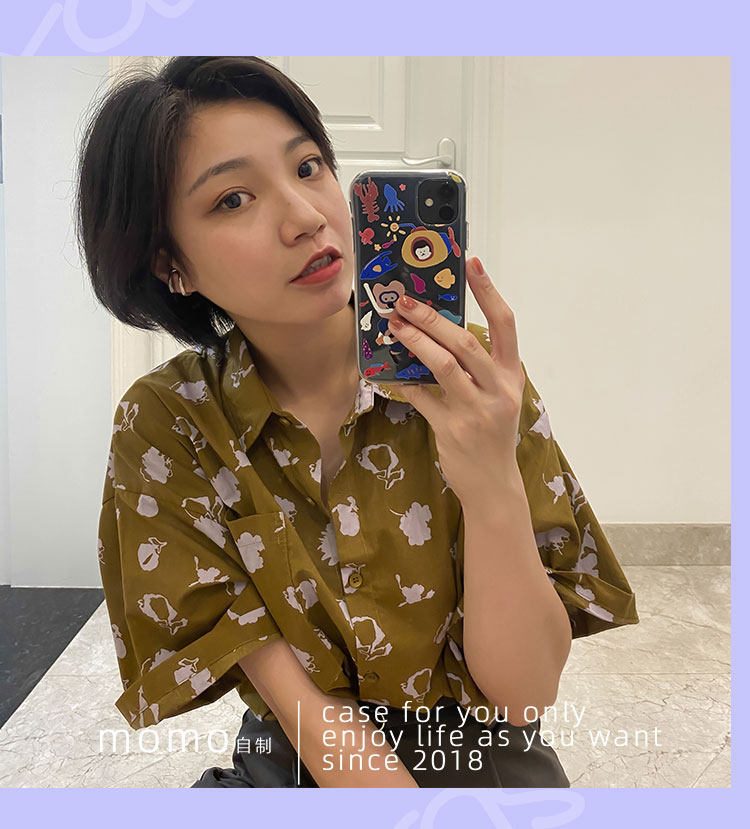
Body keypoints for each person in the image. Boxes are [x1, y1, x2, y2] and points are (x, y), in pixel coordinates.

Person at [78, 56, 639, 788]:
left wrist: (492, 486)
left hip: (482, 754)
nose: (306, 216)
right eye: (234, 199)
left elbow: (525, 695)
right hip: (299, 752)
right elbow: (306, 712)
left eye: (308, 167)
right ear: (169, 264)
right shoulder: (171, 422)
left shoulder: (470, 383)